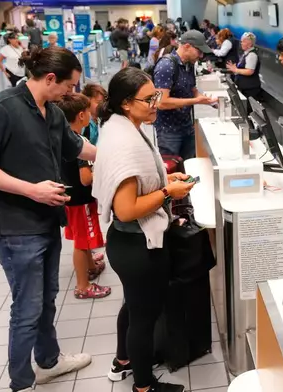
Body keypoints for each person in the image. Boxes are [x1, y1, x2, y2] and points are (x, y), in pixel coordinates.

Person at [0, 47, 95, 392]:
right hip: (16, 228)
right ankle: (21, 382)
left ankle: (48, 362)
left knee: (47, 297)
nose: (72, 93)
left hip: (46, 220)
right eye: (69, 86)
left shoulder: (51, 113)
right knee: (27, 306)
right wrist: (31, 190)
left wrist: (124, 154)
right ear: (50, 79)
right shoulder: (1, 109)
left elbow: (76, 147)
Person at [92, 67, 194, 392]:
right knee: (143, 317)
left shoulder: (125, 127)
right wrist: (167, 194)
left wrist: (166, 179)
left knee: (133, 305)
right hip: (137, 246)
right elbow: (126, 208)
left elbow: (136, 183)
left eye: (156, 96)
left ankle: (123, 360)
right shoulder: (126, 143)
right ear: (125, 103)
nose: (155, 103)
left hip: (126, 243)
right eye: (149, 99)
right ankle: (144, 386)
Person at [55, 94, 111, 300]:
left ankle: (90, 265)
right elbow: (86, 178)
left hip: (70, 196)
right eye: (88, 111)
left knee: (83, 237)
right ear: (81, 115)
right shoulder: (79, 143)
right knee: (81, 242)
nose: (90, 114)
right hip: (81, 199)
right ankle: (83, 285)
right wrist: (104, 171)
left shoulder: (62, 137)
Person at [153, 30, 217, 160]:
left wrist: (206, 100)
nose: (200, 55)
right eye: (199, 51)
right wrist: (195, 101)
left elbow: (192, 89)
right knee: (173, 169)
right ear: (187, 46)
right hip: (168, 131)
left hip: (187, 126)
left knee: (190, 166)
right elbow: (161, 102)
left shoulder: (189, 65)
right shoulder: (166, 66)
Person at [226, 32, 262, 102]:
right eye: (241, 41)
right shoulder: (246, 54)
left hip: (250, 89)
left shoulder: (252, 55)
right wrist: (234, 69)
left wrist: (236, 70)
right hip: (244, 87)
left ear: (250, 44)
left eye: (244, 42)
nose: (241, 43)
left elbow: (249, 71)